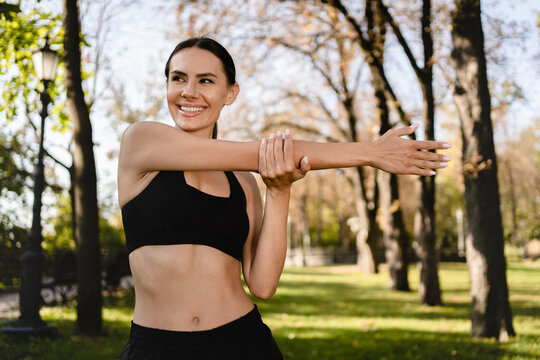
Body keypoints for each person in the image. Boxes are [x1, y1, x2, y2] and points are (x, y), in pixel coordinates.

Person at [117, 37, 450, 359]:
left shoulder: (244, 183)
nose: (189, 91)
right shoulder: (142, 142)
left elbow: (262, 285)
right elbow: (267, 153)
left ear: (230, 93)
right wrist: (370, 152)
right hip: (155, 348)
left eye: (206, 80)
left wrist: (279, 190)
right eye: (178, 78)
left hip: (241, 343)